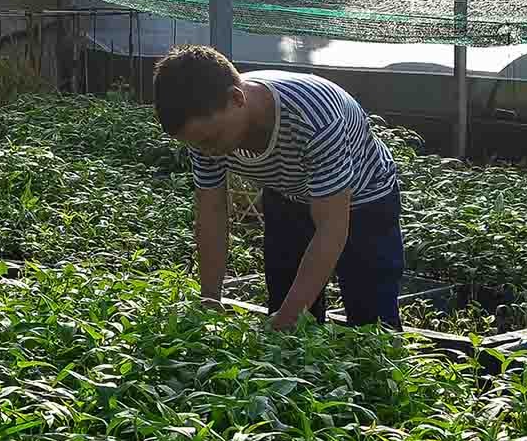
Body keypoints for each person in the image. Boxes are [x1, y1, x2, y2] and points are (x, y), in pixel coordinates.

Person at [152, 45, 403, 329]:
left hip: (364, 200)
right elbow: (211, 212)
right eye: (196, 143)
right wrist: (210, 300)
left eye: (210, 140)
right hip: (288, 194)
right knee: (286, 304)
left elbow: (331, 227)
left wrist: (289, 317)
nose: (206, 151)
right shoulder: (205, 130)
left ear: (237, 99)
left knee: (371, 320)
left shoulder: (315, 118)